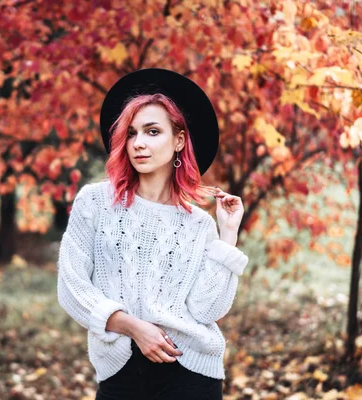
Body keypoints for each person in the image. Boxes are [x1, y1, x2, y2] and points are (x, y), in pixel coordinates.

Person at [57, 68, 248, 400]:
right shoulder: (96, 203)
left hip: (190, 373)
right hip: (120, 374)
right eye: (131, 133)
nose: (139, 143)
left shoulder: (198, 225)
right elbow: (71, 288)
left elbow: (206, 310)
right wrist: (133, 327)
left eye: (152, 131)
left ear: (179, 140)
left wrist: (227, 234)